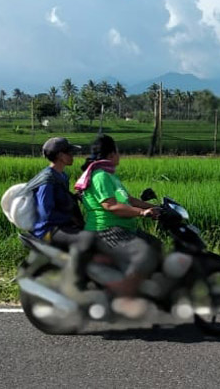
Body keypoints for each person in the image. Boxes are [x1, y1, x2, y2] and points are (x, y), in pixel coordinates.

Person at [75, 134, 160, 316]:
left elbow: (129, 200)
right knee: (144, 254)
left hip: (123, 229)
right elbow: (111, 206)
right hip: (106, 231)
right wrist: (141, 213)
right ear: (112, 154)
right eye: (118, 151)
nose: (120, 155)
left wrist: (156, 207)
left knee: (156, 246)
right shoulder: (100, 176)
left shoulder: (111, 176)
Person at [27, 137, 83, 246]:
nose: (73, 155)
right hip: (46, 231)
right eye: (70, 152)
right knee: (87, 239)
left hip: (60, 226)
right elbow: (46, 213)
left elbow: (60, 200)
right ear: (60, 156)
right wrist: (71, 218)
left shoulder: (62, 176)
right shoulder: (47, 180)